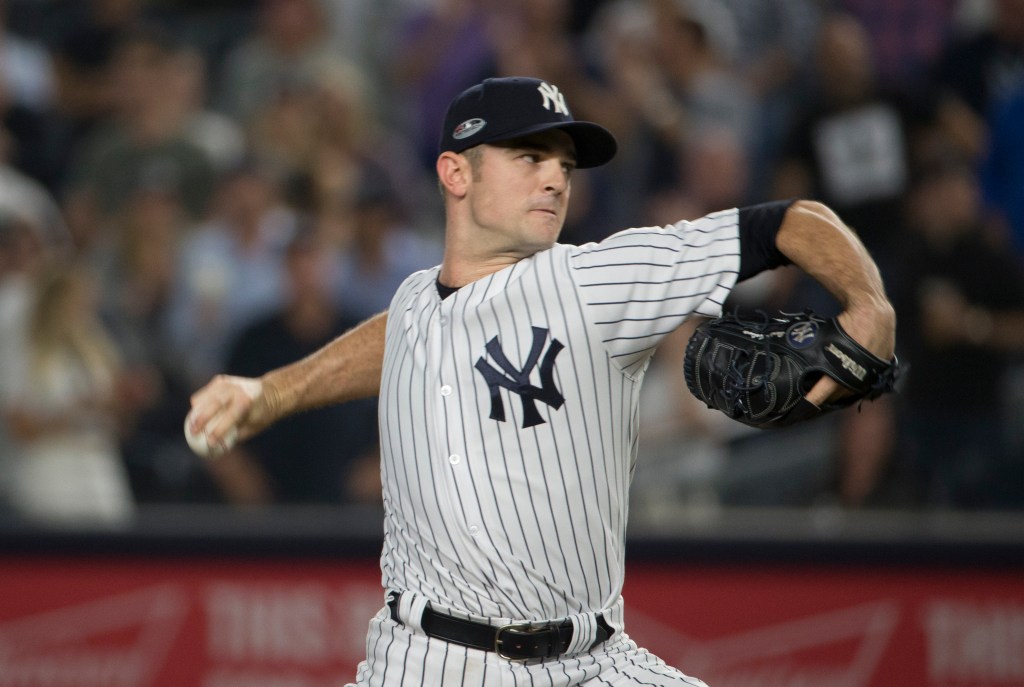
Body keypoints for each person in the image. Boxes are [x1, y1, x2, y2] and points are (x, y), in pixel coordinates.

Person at [187, 76, 896, 685]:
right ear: (455, 173)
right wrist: (271, 392)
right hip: (425, 661)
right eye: (529, 156)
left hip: (594, 660)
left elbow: (788, 223)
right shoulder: (412, 302)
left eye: (564, 164)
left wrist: (870, 303)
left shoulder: (594, 281)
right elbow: (398, 338)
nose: (555, 178)